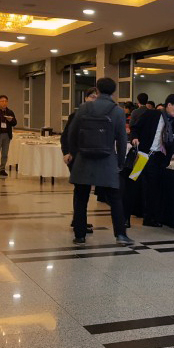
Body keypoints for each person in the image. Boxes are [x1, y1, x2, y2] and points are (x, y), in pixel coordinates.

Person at [66, 78, 134, 246]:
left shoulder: (84, 108)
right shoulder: (117, 111)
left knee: (81, 197)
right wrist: (120, 162)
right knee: (115, 198)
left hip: (84, 158)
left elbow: (72, 133)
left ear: (97, 90)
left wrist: (75, 153)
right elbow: (121, 140)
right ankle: (121, 235)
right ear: (113, 91)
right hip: (107, 159)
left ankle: (80, 235)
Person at [130, 93, 174, 227]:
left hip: (156, 158)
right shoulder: (151, 115)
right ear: (169, 105)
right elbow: (135, 128)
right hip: (142, 155)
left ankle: (149, 218)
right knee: (133, 185)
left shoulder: (173, 122)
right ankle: (126, 217)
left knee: (153, 188)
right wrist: (134, 138)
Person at [62, 87, 99, 234]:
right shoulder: (75, 115)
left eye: (97, 98)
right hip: (76, 157)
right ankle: (79, 224)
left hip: (90, 158)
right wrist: (66, 152)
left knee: (82, 191)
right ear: (85, 98)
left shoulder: (99, 116)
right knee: (81, 190)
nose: (94, 100)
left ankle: (78, 220)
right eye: (92, 97)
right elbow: (65, 136)